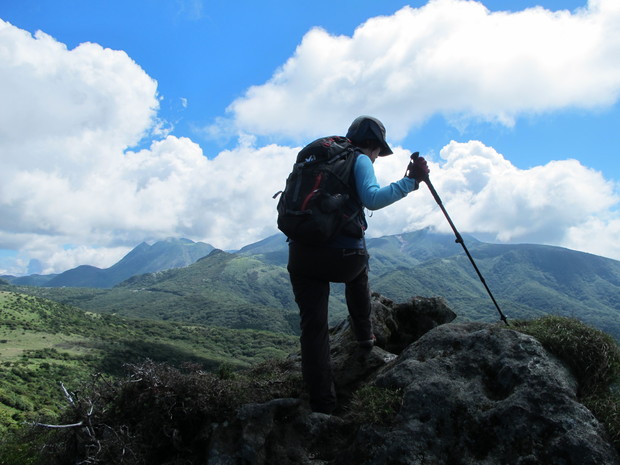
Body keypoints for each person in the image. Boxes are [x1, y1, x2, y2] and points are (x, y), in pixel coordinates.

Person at [287, 115, 429, 414]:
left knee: (313, 330)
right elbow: (373, 199)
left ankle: (322, 405)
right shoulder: (360, 159)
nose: (377, 158)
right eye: (379, 151)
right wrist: (412, 181)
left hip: (301, 254)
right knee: (359, 272)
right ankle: (365, 338)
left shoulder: (315, 158)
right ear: (374, 145)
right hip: (343, 259)